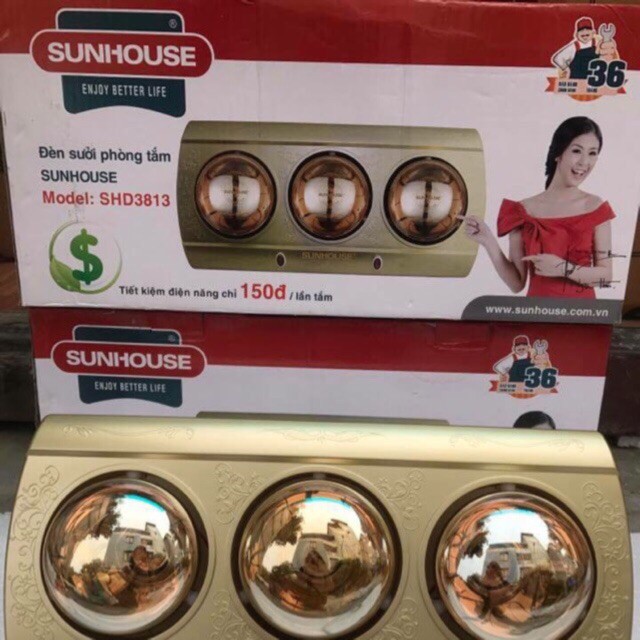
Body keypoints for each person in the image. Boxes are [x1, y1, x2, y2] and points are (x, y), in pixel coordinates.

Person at [464, 116, 614, 299]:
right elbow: (516, 283)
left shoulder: (596, 207)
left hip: (582, 313)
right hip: (536, 312)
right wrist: (488, 241)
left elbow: (606, 276)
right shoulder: (522, 211)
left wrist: (562, 268)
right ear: (559, 153)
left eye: (592, 153)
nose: (584, 162)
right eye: (576, 151)